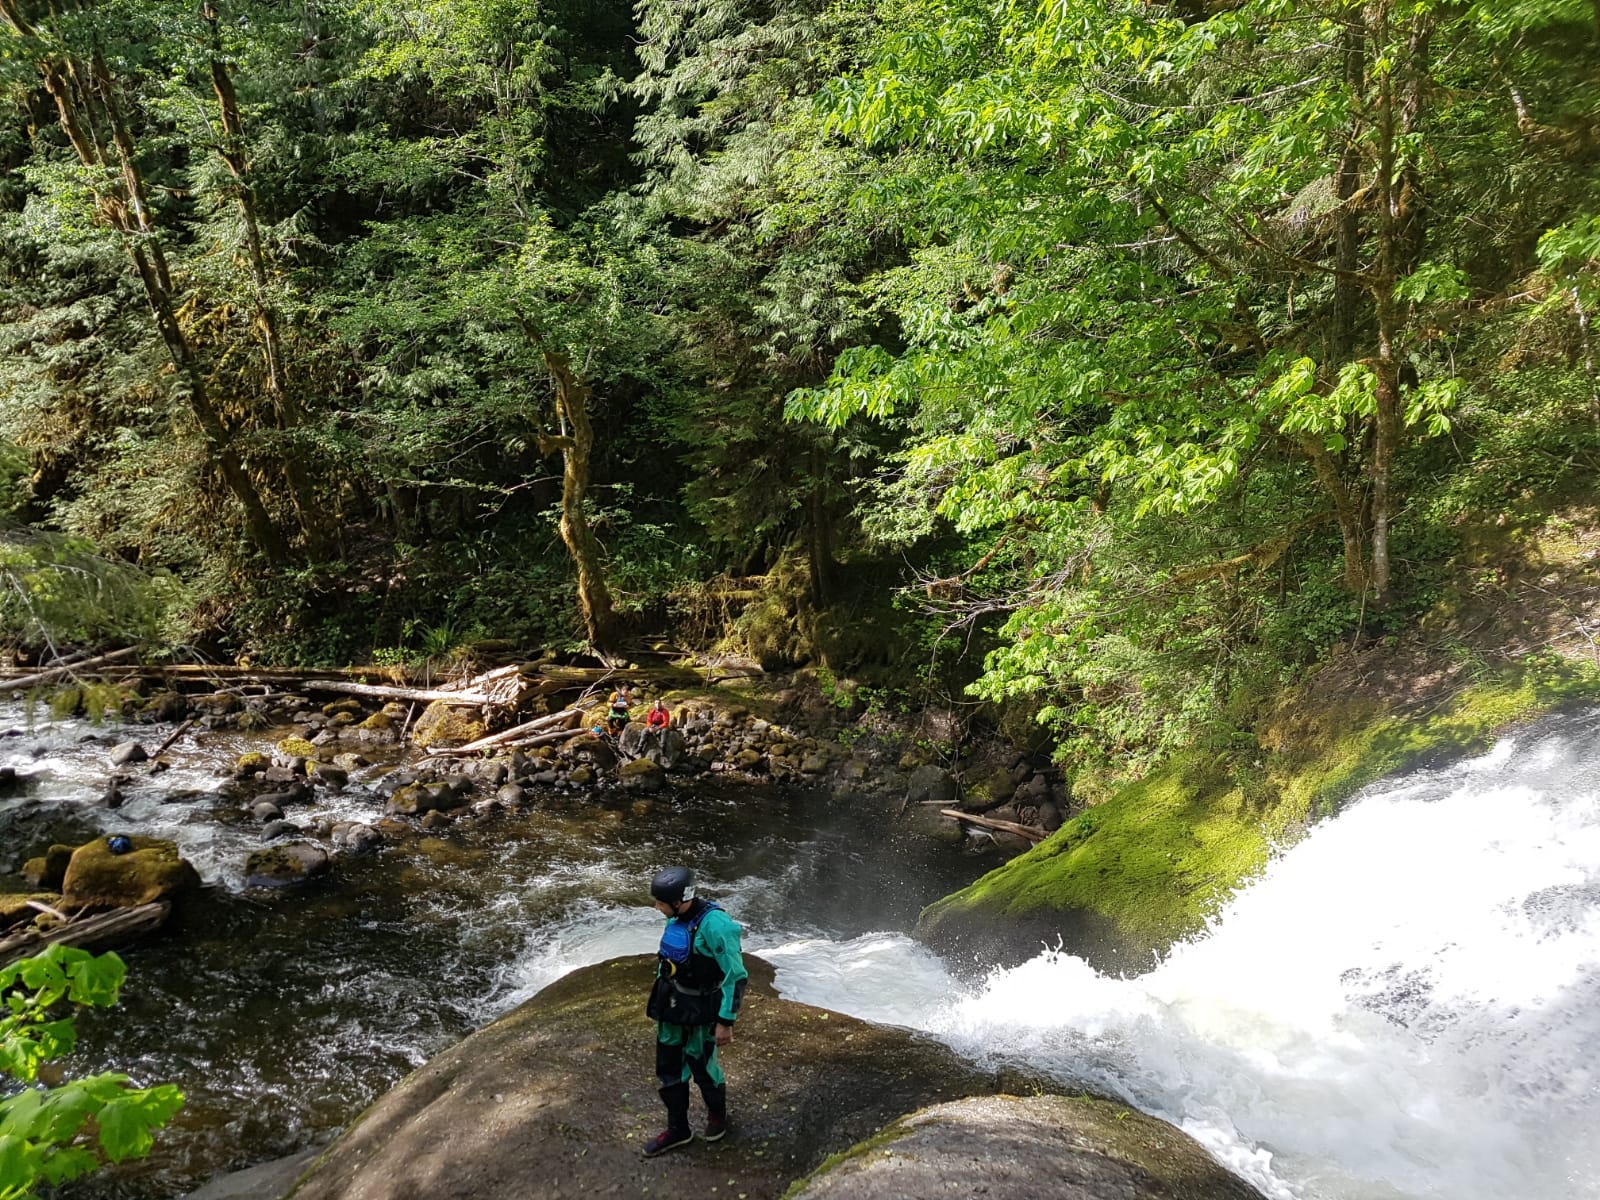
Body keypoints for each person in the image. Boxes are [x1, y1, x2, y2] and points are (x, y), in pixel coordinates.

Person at [643, 866, 747, 1157]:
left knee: (702, 1066)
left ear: (680, 900)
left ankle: (717, 1116)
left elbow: (735, 976)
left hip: (702, 1010)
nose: (656, 907)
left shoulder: (717, 925)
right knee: (669, 1069)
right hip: (672, 1006)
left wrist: (726, 1020)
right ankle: (678, 1129)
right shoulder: (675, 917)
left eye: (660, 903)